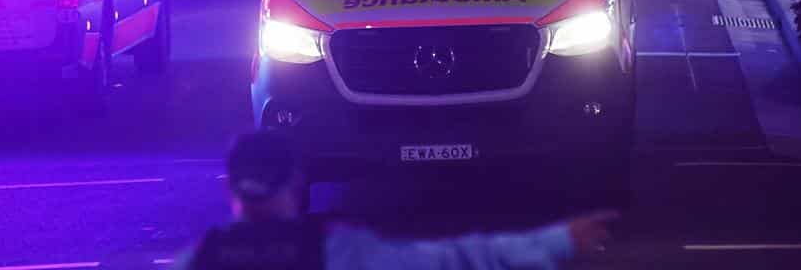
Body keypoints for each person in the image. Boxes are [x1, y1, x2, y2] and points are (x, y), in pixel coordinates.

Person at [183, 131, 618, 270]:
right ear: (295, 184)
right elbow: (452, 259)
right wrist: (559, 241)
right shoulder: (333, 250)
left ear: (231, 189)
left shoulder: (201, 258)